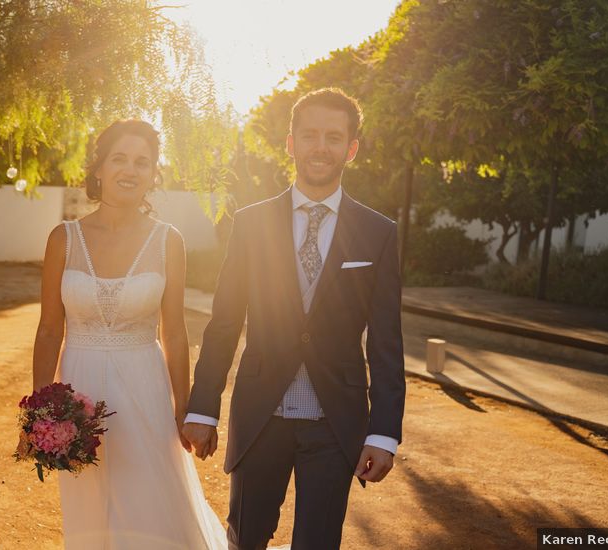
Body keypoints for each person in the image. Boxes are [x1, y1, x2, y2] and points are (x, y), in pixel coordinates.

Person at [182, 87, 406, 550]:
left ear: (351, 147)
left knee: (318, 543)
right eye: (309, 135)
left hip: (335, 421)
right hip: (261, 414)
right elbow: (224, 323)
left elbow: (386, 340)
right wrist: (203, 406)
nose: (319, 146)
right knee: (246, 538)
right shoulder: (250, 223)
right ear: (291, 143)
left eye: (332, 136)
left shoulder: (378, 232)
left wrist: (383, 432)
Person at [31, 119, 227, 549]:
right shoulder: (63, 239)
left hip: (145, 389)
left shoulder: (167, 241)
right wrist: (40, 410)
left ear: (153, 174)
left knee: (152, 504)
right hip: (78, 392)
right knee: (90, 507)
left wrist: (182, 409)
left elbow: (174, 333)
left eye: (143, 162)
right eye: (119, 158)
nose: (130, 169)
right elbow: (48, 330)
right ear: (98, 169)